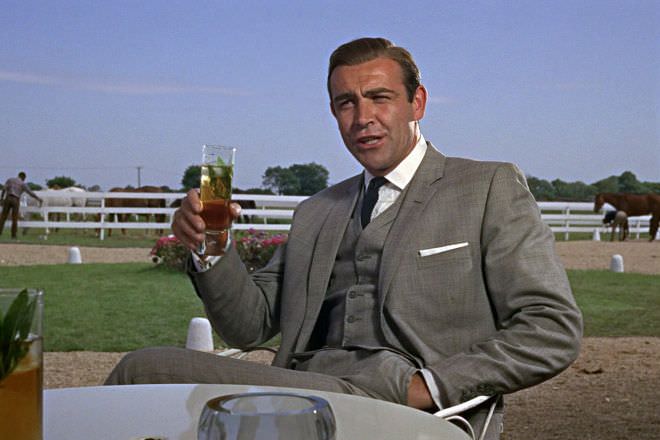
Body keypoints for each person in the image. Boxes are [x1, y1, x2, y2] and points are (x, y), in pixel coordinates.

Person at [106, 37, 582, 438]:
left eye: (380, 97)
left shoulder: (486, 187)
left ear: (416, 103)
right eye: (346, 103)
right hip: (305, 390)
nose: (362, 117)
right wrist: (212, 245)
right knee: (149, 378)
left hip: (404, 402)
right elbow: (248, 327)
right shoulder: (318, 210)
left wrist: (430, 386)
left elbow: (551, 326)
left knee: (143, 371)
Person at [0, 172, 43, 239]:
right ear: (24, 178)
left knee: (3, 217)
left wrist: (2, 198)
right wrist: (38, 198)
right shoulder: (23, 184)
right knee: (14, 219)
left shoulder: (10, 180)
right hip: (16, 200)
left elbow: (4, 189)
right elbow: (30, 193)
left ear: (18, 175)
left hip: (8, 198)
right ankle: (13, 235)